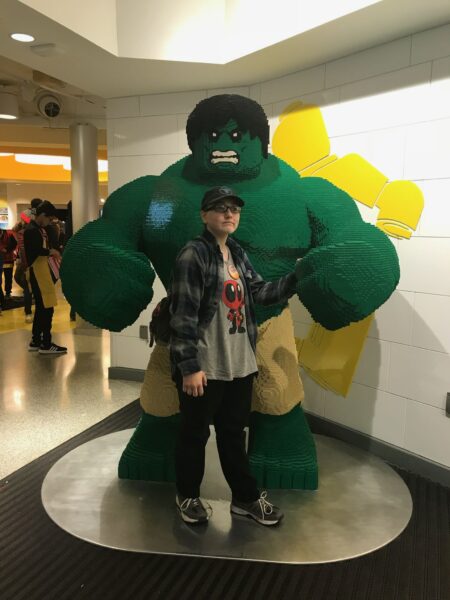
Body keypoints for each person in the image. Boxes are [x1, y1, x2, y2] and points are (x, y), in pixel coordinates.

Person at [170, 186, 299, 526]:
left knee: (233, 434)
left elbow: (259, 292)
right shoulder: (193, 254)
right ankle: (187, 495)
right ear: (204, 215)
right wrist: (189, 367)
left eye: (234, 209)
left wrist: (295, 279)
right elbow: (182, 315)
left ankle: (244, 499)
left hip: (240, 364)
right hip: (205, 368)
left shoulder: (237, 253)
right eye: (220, 208)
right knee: (194, 435)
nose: (229, 214)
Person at [24, 200, 67, 355]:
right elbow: (34, 251)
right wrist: (50, 251)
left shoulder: (38, 229)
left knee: (42, 308)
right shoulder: (32, 230)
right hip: (38, 273)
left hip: (41, 272)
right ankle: (46, 343)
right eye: (49, 218)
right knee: (47, 308)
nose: (49, 221)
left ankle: (36, 340)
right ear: (42, 215)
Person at [0, 228, 17, 307]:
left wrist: (6, 249)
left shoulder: (9, 234)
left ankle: (7, 293)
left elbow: (14, 244)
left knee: (8, 276)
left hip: (8, 258)